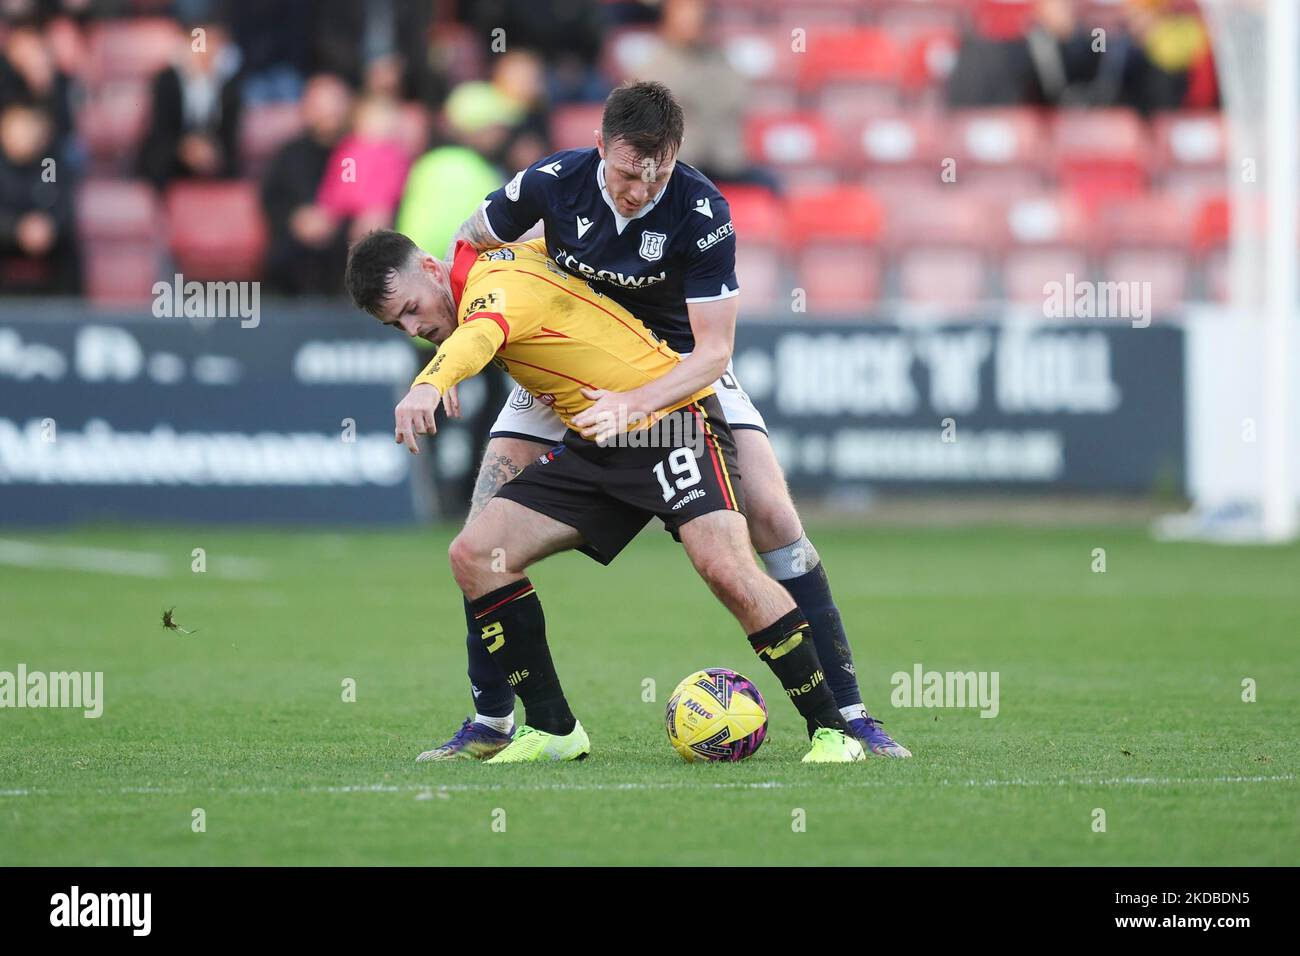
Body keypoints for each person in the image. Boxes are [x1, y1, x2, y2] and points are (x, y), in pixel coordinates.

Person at [439, 80, 911, 759]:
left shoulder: (700, 210)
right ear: (599, 148)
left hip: (674, 373)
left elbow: (715, 352)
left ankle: (850, 715)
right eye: (628, 173)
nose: (640, 189)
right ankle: (493, 720)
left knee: (773, 515)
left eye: (655, 174)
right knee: (481, 531)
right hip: (562, 371)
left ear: (676, 156)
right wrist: (485, 319)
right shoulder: (548, 184)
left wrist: (637, 403)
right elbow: (470, 239)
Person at [345, 229, 867, 764]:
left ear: (433, 270)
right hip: (593, 433)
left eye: (412, 310)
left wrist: (430, 381)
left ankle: (837, 729)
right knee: (475, 554)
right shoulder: (501, 251)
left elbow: (484, 329)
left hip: (665, 419)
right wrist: (446, 361)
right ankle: (548, 728)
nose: (414, 328)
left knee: (729, 565)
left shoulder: (493, 280)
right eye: (398, 325)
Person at [261, 73, 353, 295]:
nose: (328, 113)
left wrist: (333, 219)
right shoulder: (290, 153)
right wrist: (296, 219)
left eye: (334, 105)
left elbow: (364, 196)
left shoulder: (355, 152)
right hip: (294, 243)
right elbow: (270, 198)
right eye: (321, 106)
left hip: (343, 240)